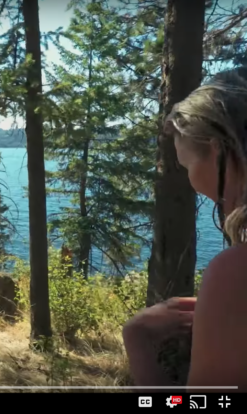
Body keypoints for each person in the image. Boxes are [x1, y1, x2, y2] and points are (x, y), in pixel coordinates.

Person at [123, 67, 247, 389]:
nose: (191, 182)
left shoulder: (236, 271)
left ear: (217, 147)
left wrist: (137, 338)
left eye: (187, 165)